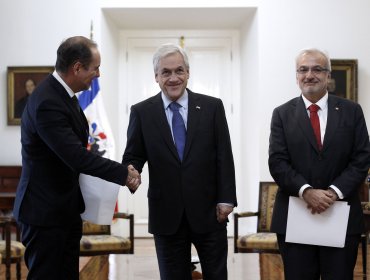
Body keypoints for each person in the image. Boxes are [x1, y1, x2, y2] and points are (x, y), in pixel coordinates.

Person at [13, 36, 141, 280]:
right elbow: (75, 156)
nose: (99, 75)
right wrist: (123, 173)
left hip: (62, 210)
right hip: (44, 214)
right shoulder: (47, 102)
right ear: (77, 67)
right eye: (96, 68)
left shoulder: (62, 95)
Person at [122, 43, 237, 279]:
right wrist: (131, 171)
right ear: (156, 76)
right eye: (166, 72)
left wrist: (227, 199)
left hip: (210, 212)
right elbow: (133, 155)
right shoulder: (142, 112)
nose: (173, 78)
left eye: (179, 71)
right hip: (166, 214)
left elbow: (224, 156)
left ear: (188, 72)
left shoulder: (212, 107)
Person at [268, 48, 370, 280]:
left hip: (341, 216)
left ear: (328, 75)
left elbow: (362, 158)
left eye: (317, 69)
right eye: (303, 70)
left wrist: (333, 192)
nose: (309, 75)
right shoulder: (282, 114)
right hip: (295, 217)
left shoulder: (351, 111)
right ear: (296, 76)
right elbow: (277, 161)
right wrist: (307, 191)